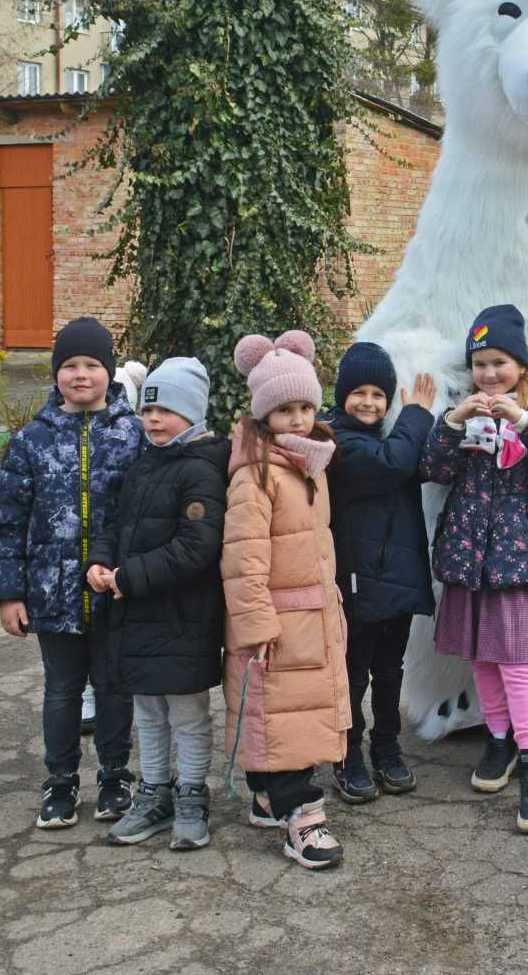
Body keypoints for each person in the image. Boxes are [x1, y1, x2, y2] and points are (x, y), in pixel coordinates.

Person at [421, 304, 528, 834]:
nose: (490, 374)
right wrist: (451, 423)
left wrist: (520, 419)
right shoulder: (463, 410)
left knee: (517, 663)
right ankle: (499, 740)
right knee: (482, 659)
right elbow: (434, 469)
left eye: (500, 362)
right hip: (469, 558)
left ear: (520, 364)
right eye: (481, 363)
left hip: (516, 561)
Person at [0, 317, 144, 829]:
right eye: (70, 366)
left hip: (114, 592)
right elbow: (7, 520)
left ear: (110, 372)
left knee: (115, 687)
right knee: (62, 691)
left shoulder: (133, 434)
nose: (81, 375)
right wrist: (10, 593)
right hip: (50, 595)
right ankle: (59, 782)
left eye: (92, 365)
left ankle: (116, 778)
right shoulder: (31, 440)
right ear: (56, 374)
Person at [222, 331, 351, 870]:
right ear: (263, 414)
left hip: (312, 614)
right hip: (277, 624)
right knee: (285, 720)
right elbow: (243, 556)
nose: (297, 419)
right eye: (284, 410)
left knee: (284, 714)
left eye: (304, 407)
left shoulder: (306, 466)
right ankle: (302, 817)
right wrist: (256, 624)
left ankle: (266, 795)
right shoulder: (256, 474)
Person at [89, 357, 229, 851]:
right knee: (147, 713)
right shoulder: (143, 464)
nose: (153, 420)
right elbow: (115, 523)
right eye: (148, 410)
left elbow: (197, 547)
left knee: (187, 716)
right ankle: (153, 794)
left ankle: (191, 795)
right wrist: (100, 562)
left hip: (182, 620)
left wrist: (129, 578)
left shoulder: (201, 470)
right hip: (137, 615)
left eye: (166, 410)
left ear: (192, 412)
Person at [324, 341, 437, 804]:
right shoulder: (338, 441)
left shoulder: (392, 439)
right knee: (354, 672)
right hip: (358, 582)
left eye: (378, 395)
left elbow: (420, 465)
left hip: (399, 577)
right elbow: (395, 465)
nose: (368, 402)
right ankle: (347, 754)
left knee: (391, 669)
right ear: (342, 395)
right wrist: (418, 413)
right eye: (359, 392)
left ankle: (387, 748)